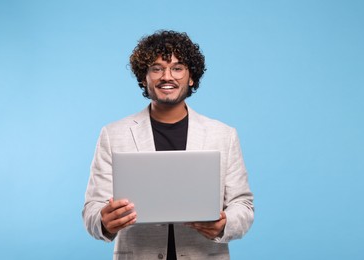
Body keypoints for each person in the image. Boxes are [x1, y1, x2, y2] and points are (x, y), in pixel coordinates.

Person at [83, 30, 254, 260]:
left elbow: (242, 205)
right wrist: (104, 222)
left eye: (177, 68)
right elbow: (92, 210)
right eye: (156, 68)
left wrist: (225, 224)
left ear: (191, 77)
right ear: (144, 77)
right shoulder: (113, 134)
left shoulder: (223, 135)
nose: (167, 76)